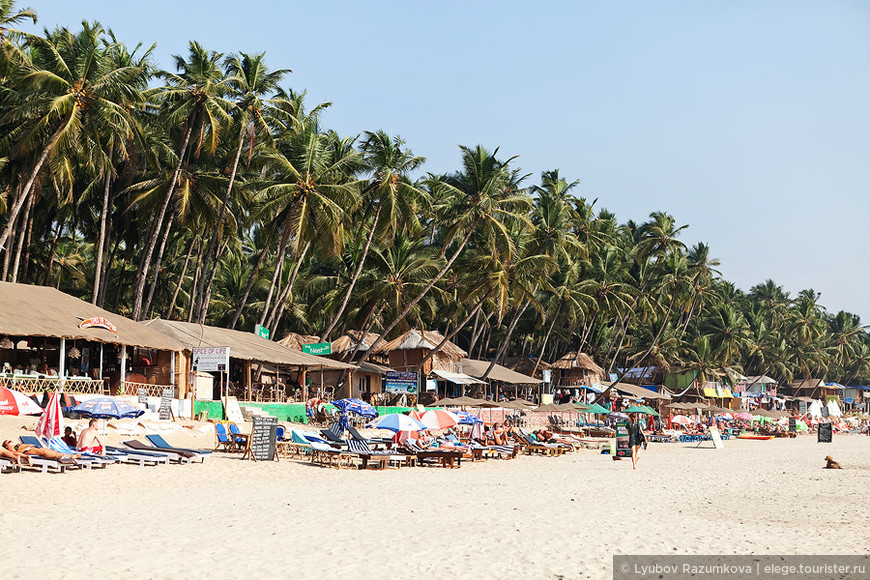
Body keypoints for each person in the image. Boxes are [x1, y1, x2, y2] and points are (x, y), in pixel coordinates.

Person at [3, 440, 79, 460]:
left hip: (32, 448)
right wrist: (26, 449)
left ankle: (70, 456)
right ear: (7, 446)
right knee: (44, 452)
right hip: (28, 451)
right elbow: (17, 454)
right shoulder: (11, 451)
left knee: (52, 451)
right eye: (9, 442)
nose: (11, 441)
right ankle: (59, 456)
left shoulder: (16, 445)